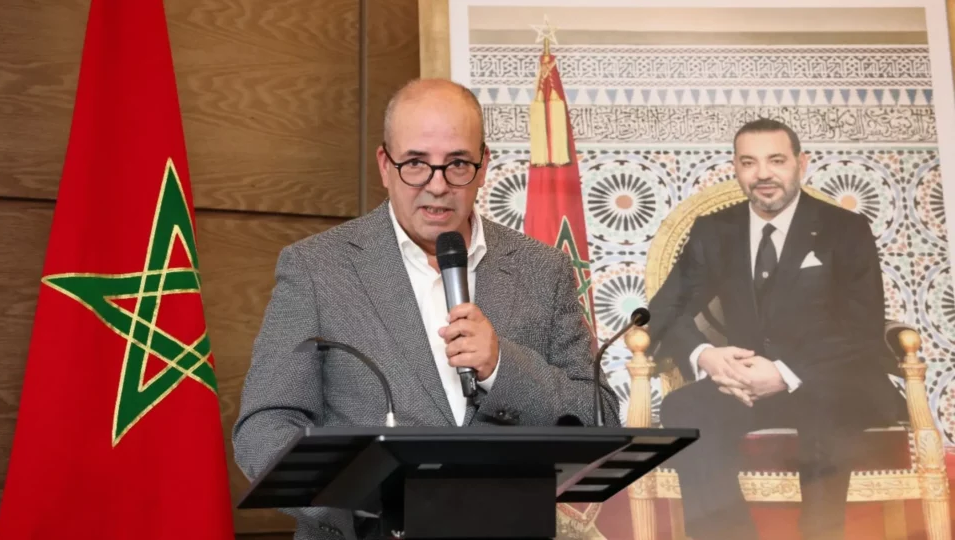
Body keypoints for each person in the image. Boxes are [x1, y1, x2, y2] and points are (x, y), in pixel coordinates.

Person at [232, 78, 620, 540]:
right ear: (385, 165)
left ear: (483, 167)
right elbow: (264, 427)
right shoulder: (317, 268)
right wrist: (363, 507)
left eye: (457, 164)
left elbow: (600, 417)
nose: (437, 186)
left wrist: (503, 366)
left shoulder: (543, 269)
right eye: (416, 163)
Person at [648, 118, 904, 540]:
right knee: (684, 409)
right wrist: (705, 356)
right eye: (749, 162)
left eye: (776, 160)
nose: (763, 174)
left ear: (801, 163)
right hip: (747, 385)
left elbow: (861, 326)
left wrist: (785, 372)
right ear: (735, 167)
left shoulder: (845, 229)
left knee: (827, 411)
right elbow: (664, 310)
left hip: (830, 379)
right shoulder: (716, 230)